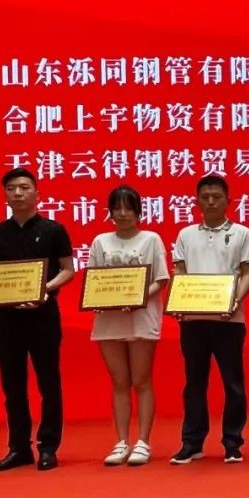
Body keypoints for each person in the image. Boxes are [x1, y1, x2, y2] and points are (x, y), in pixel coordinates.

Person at [0, 168, 75, 472]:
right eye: (11, 188)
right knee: (12, 385)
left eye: (24, 187)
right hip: (7, 317)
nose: (18, 193)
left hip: (43, 315)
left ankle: (48, 447)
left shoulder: (53, 229)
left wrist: (43, 290)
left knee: (48, 381)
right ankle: (19, 448)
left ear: (37, 193)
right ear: (5, 195)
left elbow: (68, 270)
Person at [169, 175, 249, 465]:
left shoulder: (242, 233)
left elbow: (248, 273)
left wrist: (235, 301)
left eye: (216, 197)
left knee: (233, 383)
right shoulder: (186, 234)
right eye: (205, 197)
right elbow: (179, 271)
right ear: (196, 201)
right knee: (194, 383)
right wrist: (179, 300)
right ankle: (192, 443)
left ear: (228, 201)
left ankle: (232, 442)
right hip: (193, 320)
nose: (210, 202)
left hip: (229, 320)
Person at [88, 185, 171, 465]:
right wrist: (97, 299)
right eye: (117, 208)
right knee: (119, 382)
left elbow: (161, 279)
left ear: (138, 211)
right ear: (110, 211)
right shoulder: (100, 241)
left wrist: (137, 298)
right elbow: (94, 281)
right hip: (109, 320)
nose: (123, 213)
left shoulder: (151, 239)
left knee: (141, 380)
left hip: (141, 317)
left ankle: (143, 441)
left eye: (128, 208)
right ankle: (121, 441)